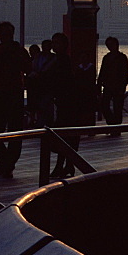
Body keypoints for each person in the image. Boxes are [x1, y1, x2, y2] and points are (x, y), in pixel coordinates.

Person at [0, 21, 31, 179]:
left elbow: (28, 68)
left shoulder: (19, 51)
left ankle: (7, 162)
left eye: (8, 34)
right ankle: (5, 160)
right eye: (4, 34)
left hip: (13, 94)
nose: (6, 37)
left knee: (15, 131)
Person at [50, 32, 78, 178]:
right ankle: (67, 164)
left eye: (56, 43)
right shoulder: (61, 59)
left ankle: (63, 165)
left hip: (66, 102)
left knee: (61, 134)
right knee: (65, 134)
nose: (54, 45)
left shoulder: (62, 61)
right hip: (64, 101)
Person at [97, 36, 128, 132]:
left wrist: (122, 88)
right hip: (107, 86)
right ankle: (112, 124)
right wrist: (99, 84)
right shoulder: (106, 57)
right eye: (108, 45)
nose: (110, 47)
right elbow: (102, 71)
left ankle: (116, 128)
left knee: (117, 108)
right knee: (104, 105)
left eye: (111, 44)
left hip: (118, 86)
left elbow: (125, 73)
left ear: (116, 45)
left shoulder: (122, 57)